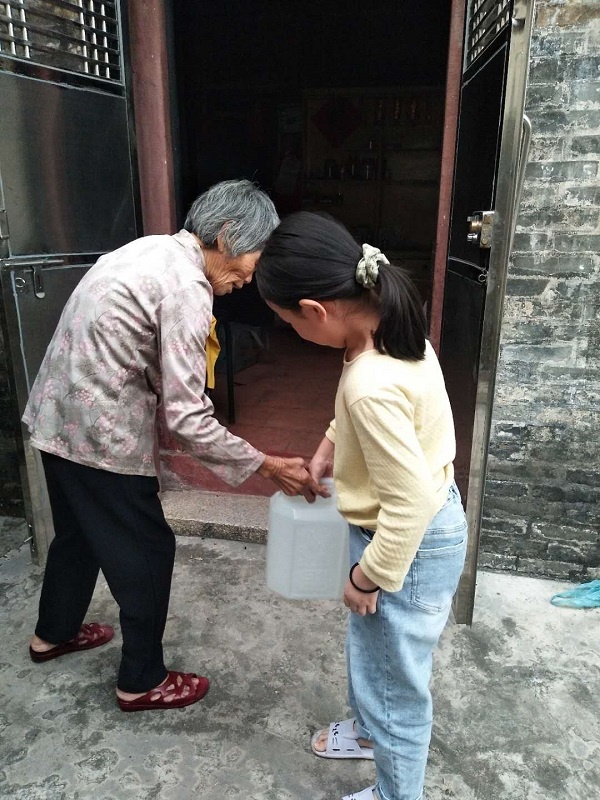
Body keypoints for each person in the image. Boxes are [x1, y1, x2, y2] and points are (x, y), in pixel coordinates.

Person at [23, 180, 321, 712]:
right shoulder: (187, 288)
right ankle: (141, 680)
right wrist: (266, 465)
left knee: (79, 533)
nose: (250, 277)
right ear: (227, 236)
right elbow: (187, 418)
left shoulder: (149, 248)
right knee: (148, 551)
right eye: (254, 258)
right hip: (101, 438)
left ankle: (54, 634)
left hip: (55, 418)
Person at [256, 212, 468, 800]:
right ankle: (370, 732)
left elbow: (409, 501)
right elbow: (368, 414)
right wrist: (330, 444)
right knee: (374, 656)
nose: (292, 331)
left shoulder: (369, 383)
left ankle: (395, 791)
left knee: (397, 689)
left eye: (288, 322)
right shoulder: (391, 332)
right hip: (412, 527)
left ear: (315, 310)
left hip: (407, 543)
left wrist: (365, 575)